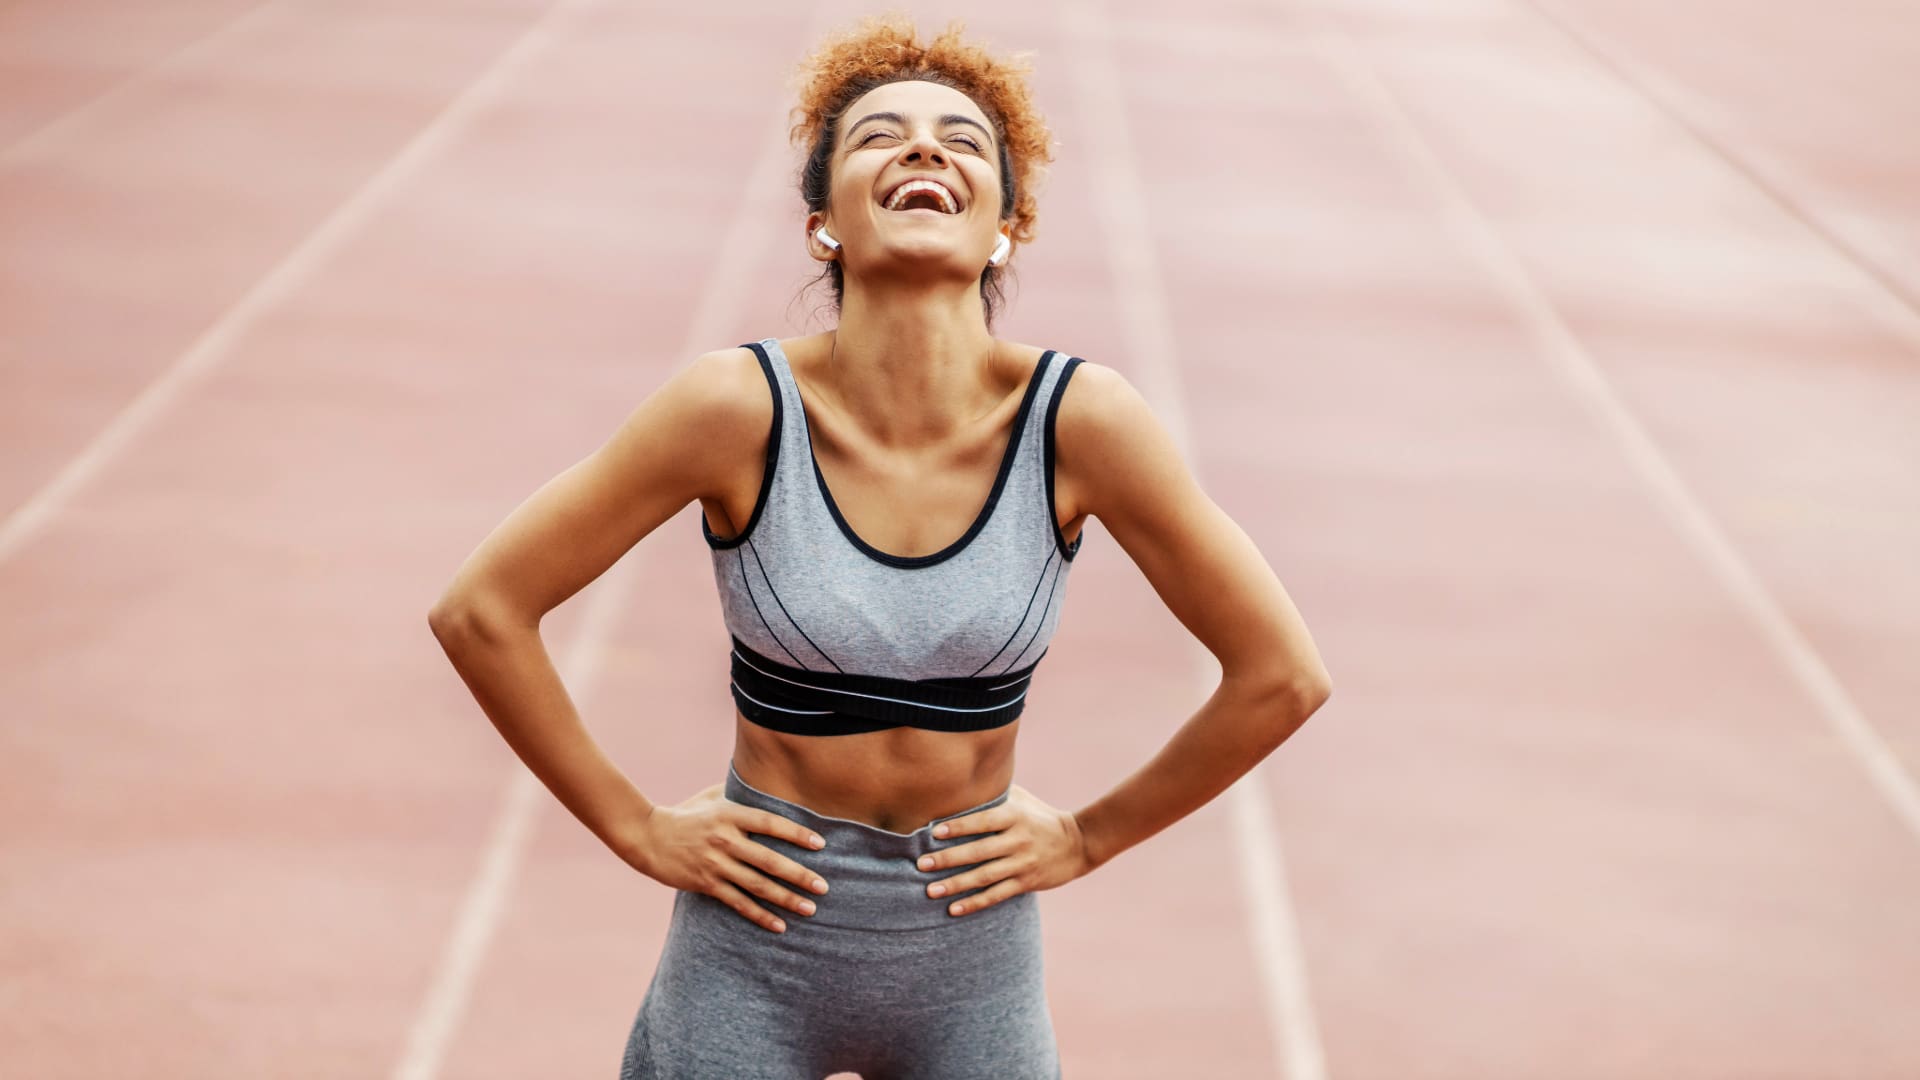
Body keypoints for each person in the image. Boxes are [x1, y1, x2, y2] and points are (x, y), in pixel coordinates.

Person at [428, 14, 1331, 1080]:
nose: (922, 149)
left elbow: (1281, 676)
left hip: (971, 961)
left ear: (1007, 224)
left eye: (962, 140)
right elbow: (482, 611)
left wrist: (1090, 837)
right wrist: (635, 827)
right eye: (879, 135)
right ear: (824, 227)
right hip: (751, 951)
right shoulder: (737, 409)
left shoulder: (1080, 422)